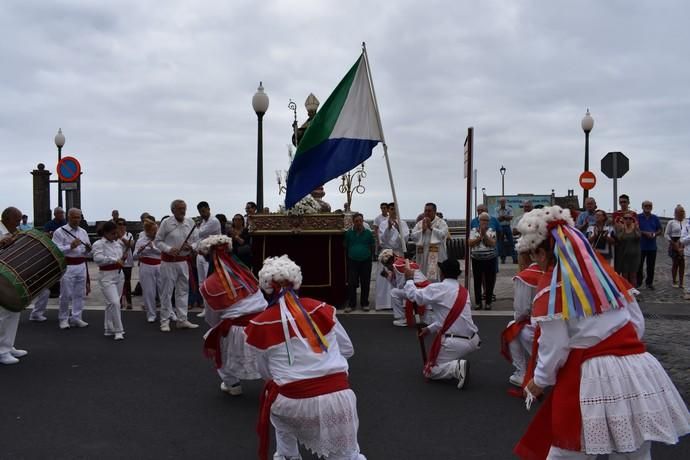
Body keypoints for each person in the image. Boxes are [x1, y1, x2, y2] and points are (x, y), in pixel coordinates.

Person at [513, 206, 690, 459]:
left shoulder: (552, 290)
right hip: (636, 368)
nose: (533, 260)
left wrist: (539, 381)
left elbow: (556, 347)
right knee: (634, 450)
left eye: (533, 254)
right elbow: (636, 324)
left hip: (591, 375)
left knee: (569, 452)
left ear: (541, 252)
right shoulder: (607, 277)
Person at [244, 255, 365, 460]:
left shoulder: (258, 324)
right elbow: (347, 349)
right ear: (297, 282)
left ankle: (288, 455)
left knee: (279, 413)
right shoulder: (322, 309)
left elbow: (265, 373)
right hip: (339, 397)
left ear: (267, 288)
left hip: (293, 401)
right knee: (346, 455)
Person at [198, 234, 267, 396]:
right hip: (261, 324)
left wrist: (218, 327)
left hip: (235, 327)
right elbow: (261, 300)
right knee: (267, 356)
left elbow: (212, 317)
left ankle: (232, 384)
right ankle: (270, 384)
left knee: (221, 349)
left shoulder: (209, 284)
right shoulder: (246, 275)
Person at [403, 258, 480, 389]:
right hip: (473, 339)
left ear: (442, 273)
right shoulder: (463, 291)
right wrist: (429, 329)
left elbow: (415, 296)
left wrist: (409, 279)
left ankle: (456, 368)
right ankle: (453, 364)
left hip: (454, 342)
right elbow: (450, 318)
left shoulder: (438, 288)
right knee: (438, 361)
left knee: (430, 371)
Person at [154, 199, 200, 332]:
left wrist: (191, 246)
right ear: (173, 210)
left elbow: (197, 241)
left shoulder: (190, 222)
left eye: (184, 208)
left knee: (183, 291)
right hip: (168, 263)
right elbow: (158, 241)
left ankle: (182, 319)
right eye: (180, 208)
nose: (183, 211)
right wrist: (168, 249)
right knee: (167, 292)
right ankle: (164, 321)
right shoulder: (166, 223)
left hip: (183, 262)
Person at [500, 253, 543, 387]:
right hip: (556, 324)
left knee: (512, 327)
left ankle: (521, 372)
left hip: (537, 327)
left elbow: (521, 311)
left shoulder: (525, 277)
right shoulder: (551, 272)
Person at [53, 208, 91, 330]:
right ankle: (63, 319)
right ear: (68, 217)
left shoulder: (83, 232)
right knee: (65, 294)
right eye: (74, 217)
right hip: (68, 265)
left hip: (81, 264)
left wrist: (88, 250)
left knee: (80, 293)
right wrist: (70, 246)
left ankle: (76, 317)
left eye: (78, 217)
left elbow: (86, 252)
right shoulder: (60, 232)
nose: (76, 220)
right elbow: (56, 250)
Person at [0, 207, 29, 365]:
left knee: (13, 311)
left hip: (8, 276)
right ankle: (1, 351)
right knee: (3, 314)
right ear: (7, 219)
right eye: (17, 220)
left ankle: (8, 345)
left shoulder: (12, 232)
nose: (18, 224)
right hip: (1, 278)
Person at [92, 221, 126, 340]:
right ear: (105, 233)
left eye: (116, 233)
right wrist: (114, 260)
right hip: (106, 276)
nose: (116, 235)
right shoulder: (98, 244)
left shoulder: (117, 244)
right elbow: (97, 258)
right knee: (115, 302)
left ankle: (108, 328)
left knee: (111, 303)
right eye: (113, 233)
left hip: (119, 275)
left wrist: (121, 260)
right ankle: (118, 330)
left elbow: (120, 257)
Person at [378, 249, 429, 327]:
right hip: (423, 288)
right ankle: (424, 317)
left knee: (394, 292)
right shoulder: (402, 261)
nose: (387, 268)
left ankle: (401, 318)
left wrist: (390, 275)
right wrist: (388, 276)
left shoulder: (396, 265)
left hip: (418, 288)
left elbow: (401, 286)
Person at [375, 203, 409, 310]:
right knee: (385, 278)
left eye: (395, 209)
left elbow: (406, 239)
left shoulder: (403, 223)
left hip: (398, 253)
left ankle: (399, 302)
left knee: (398, 278)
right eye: (391, 209)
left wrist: (399, 230)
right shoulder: (383, 224)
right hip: (387, 253)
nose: (393, 211)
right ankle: (385, 303)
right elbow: (382, 240)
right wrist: (388, 229)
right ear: (388, 210)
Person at [195, 201, 222, 319]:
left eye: (204, 211)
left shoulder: (214, 221)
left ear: (209, 209)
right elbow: (198, 239)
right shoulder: (203, 222)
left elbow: (199, 234)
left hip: (210, 256)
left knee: (209, 283)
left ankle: (213, 309)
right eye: (200, 212)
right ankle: (206, 309)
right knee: (201, 283)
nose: (202, 213)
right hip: (200, 254)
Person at [344, 213, 375, 312]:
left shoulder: (368, 233)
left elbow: (372, 246)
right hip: (352, 261)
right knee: (352, 283)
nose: (358, 223)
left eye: (360, 221)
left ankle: (365, 303)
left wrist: (370, 257)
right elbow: (345, 246)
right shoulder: (349, 233)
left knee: (365, 282)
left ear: (363, 221)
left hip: (366, 261)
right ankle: (351, 304)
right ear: (353, 222)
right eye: (356, 221)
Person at [410, 202, 449, 281]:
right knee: (422, 276)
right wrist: (422, 231)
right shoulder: (420, 223)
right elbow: (413, 236)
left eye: (429, 211)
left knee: (435, 277)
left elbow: (443, 235)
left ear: (435, 212)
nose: (427, 213)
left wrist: (431, 228)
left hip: (436, 256)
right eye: (425, 211)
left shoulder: (441, 223)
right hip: (422, 256)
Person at [468, 212, 497, 310]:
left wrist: (485, 235)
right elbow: (470, 243)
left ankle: (488, 302)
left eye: (486, 220)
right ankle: (478, 302)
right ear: (479, 221)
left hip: (490, 259)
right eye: (482, 220)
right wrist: (480, 237)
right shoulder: (473, 231)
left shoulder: (492, 230)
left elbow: (492, 243)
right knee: (477, 281)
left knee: (489, 281)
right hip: (477, 259)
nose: (484, 222)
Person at [134, 218, 161, 323]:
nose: (156, 232)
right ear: (147, 231)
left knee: (164, 290)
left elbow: (163, 252)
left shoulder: (159, 240)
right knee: (149, 291)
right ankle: (151, 314)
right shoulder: (141, 241)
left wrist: (153, 248)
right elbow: (135, 256)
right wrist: (140, 251)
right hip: (146, 267)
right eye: (154, 230)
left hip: (159, 265)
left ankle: (169, 312)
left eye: (156, 229)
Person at [637, 200, 662, 289]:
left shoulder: (655, 218)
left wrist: (655, 234)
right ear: (642, 207)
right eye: (646, 205)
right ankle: (638, 282)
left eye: (649, 206)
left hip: (652, 246)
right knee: (639, 265)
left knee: (651, 266)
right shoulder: (638, 217)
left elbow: (660, 229)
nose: (648, 207)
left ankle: (649, 283)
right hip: (641, 246)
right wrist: (645, 233)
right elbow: (636, 229)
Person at [614, 211, 641, 286]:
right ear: (623, 219)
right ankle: (626, 292)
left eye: (630, 218)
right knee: (624, 275)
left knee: (633, 275)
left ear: (633, 220)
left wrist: (635, 228)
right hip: (624, 255)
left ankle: (633, 292)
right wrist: (623, 229)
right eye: (626, 218)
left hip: (634, 255)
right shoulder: (621, 228)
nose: (628, 220)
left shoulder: (636, 228)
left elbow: (638, 237)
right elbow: (619, 238)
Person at [664, 205, 686, 288]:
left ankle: (681, 282)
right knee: (675, 263)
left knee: (683, 264)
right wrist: (673, 243)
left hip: (684, 243)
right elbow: (666, 234)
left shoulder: (686, 222)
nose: (682, 213)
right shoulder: (671, 222)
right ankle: (674, 281)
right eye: (680, 211)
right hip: (674, 242)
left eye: (683, 211)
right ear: (676, 213)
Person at [116, 218, 135, 309]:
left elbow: (130, 245)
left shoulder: (129, 234)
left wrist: (122, 237)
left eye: (123, 224)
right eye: (119, 224)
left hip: (128, 262)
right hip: (117, 261)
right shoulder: (114, 235)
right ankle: (119, 301)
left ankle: (129, 302)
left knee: (127, 282)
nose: (121, 226)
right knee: (117, 282)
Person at [496, 197, 517, 264]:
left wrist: (503, 217)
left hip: (507, 227)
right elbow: (498, 219)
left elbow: (510, 218)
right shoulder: (496, 209)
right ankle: (502, 259)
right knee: (500, 243)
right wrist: (506, 217)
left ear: (505, 202)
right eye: (501, 201)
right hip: (500, 227)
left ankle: (515, 258)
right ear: (499, 202)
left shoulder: (509, 209)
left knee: (511, 243)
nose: (502, 203)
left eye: (503, 201)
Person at [681, 217, 690, 300]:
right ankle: (687, 291)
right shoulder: (687, 224)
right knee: (688, 273)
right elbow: (682, 240)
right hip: (688, 253)